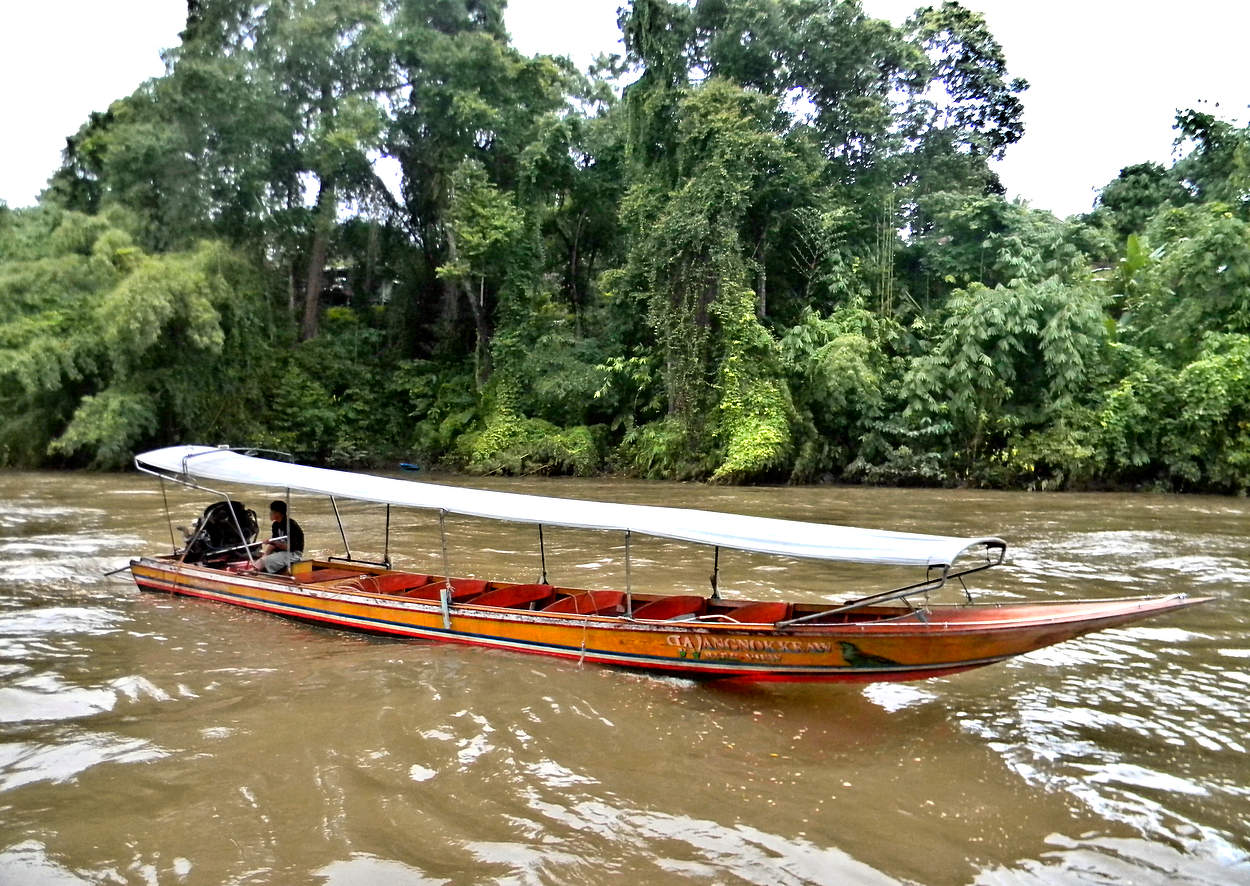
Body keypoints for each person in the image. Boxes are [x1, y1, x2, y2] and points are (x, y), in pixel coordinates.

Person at [257, 499, 304, 574]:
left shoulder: (291, 525)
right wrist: (265, 555)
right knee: (262, 558)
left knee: (263, 562)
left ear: (278, 513)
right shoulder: (275, 525)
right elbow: (273, 544)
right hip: (282, 552)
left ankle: (249, 574)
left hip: (293, 553)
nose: (270, 513)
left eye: (272, 511)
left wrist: (274, 543)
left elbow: (290, 547)